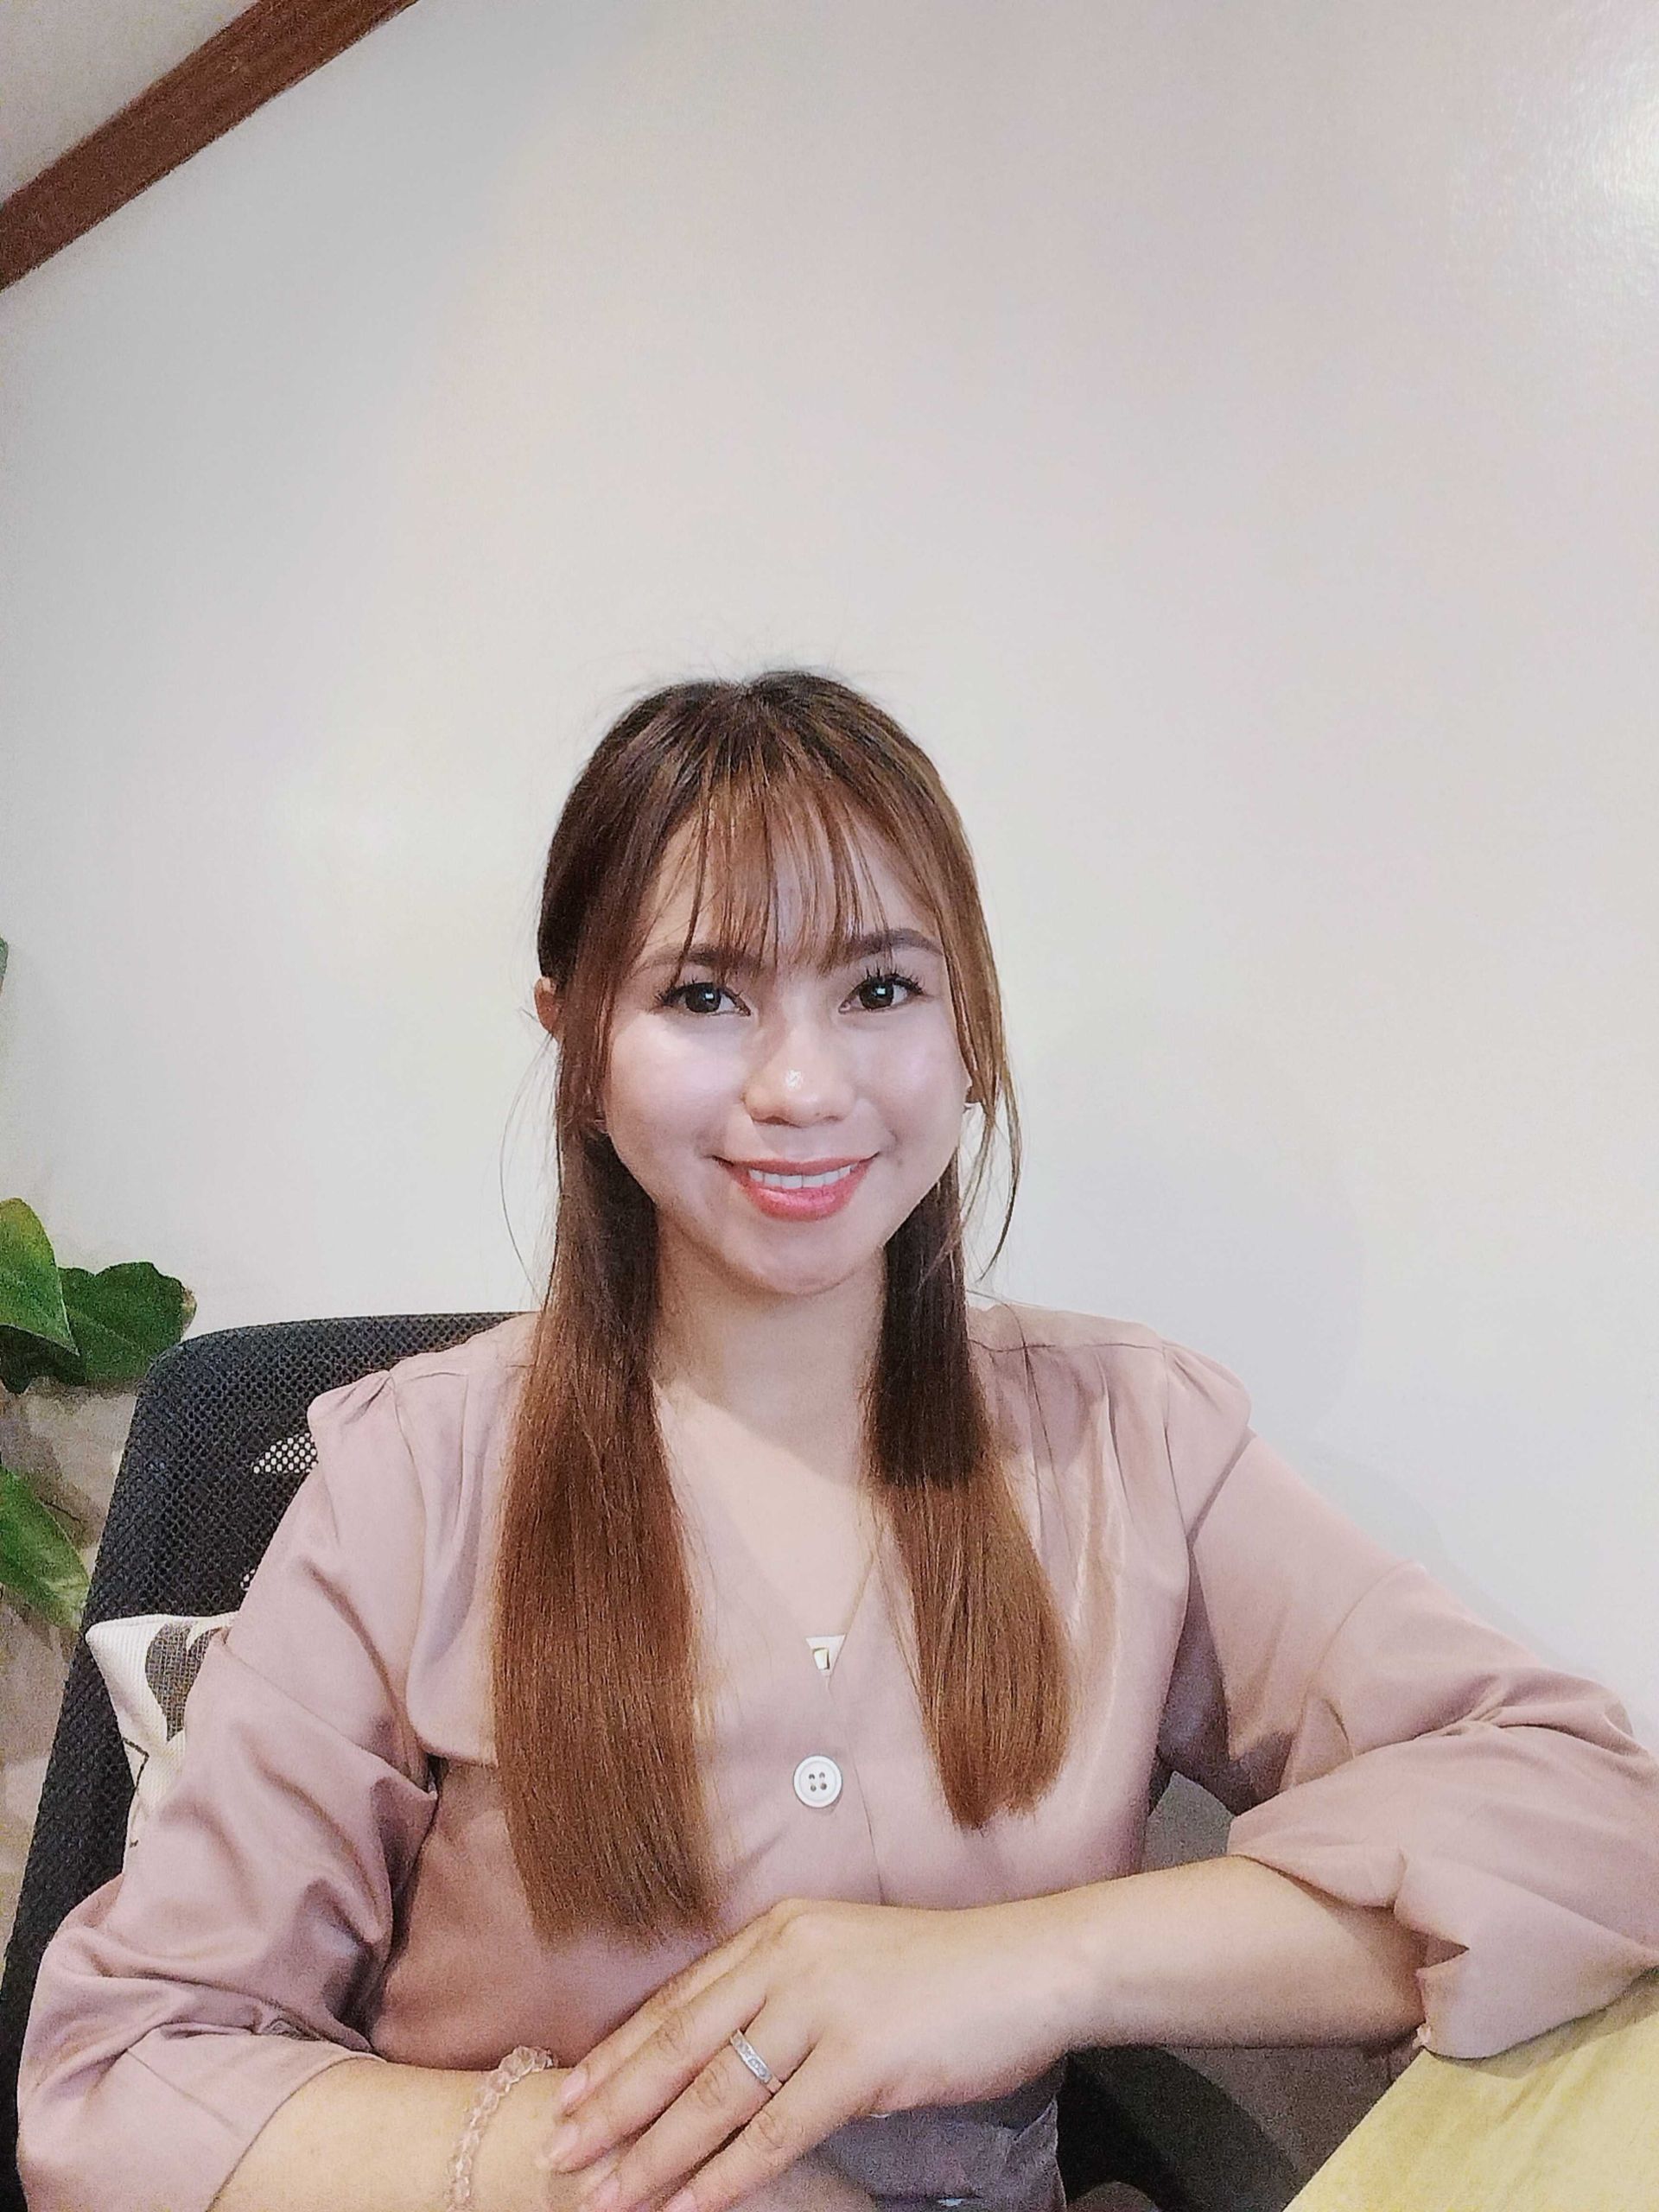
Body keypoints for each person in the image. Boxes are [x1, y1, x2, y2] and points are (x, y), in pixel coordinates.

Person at [17, 670, 1659, 2212]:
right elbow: (120, 2083)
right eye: (704, 995)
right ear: (577, 1042)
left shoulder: (1132, 1439)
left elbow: (1593, 1815)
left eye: (880, 989)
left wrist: (1030, 1966)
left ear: (969, 1030)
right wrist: (634, 2172)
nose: (803, 1086)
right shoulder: (414, 1475)